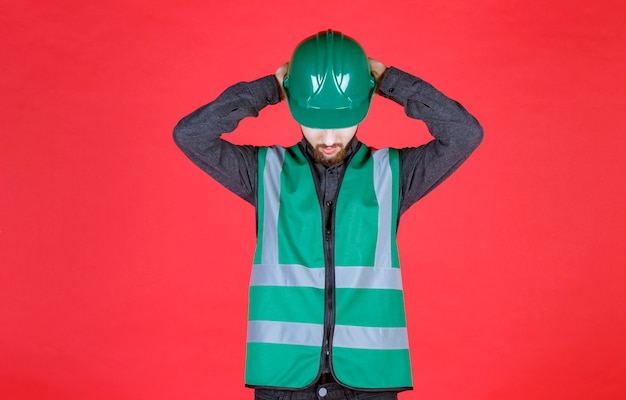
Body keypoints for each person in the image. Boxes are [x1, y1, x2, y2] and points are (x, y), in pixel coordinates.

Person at [173, 29, 483, 400]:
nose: (329, 135)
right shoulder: (264, 172)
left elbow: (465, 133)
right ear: (296, 111)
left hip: (369, 381)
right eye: (316, 121)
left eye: (343, 120)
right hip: (284, 381)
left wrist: (389, 82)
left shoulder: (394, 175)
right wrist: (270, 89)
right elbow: (190, 135)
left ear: (363, 109)